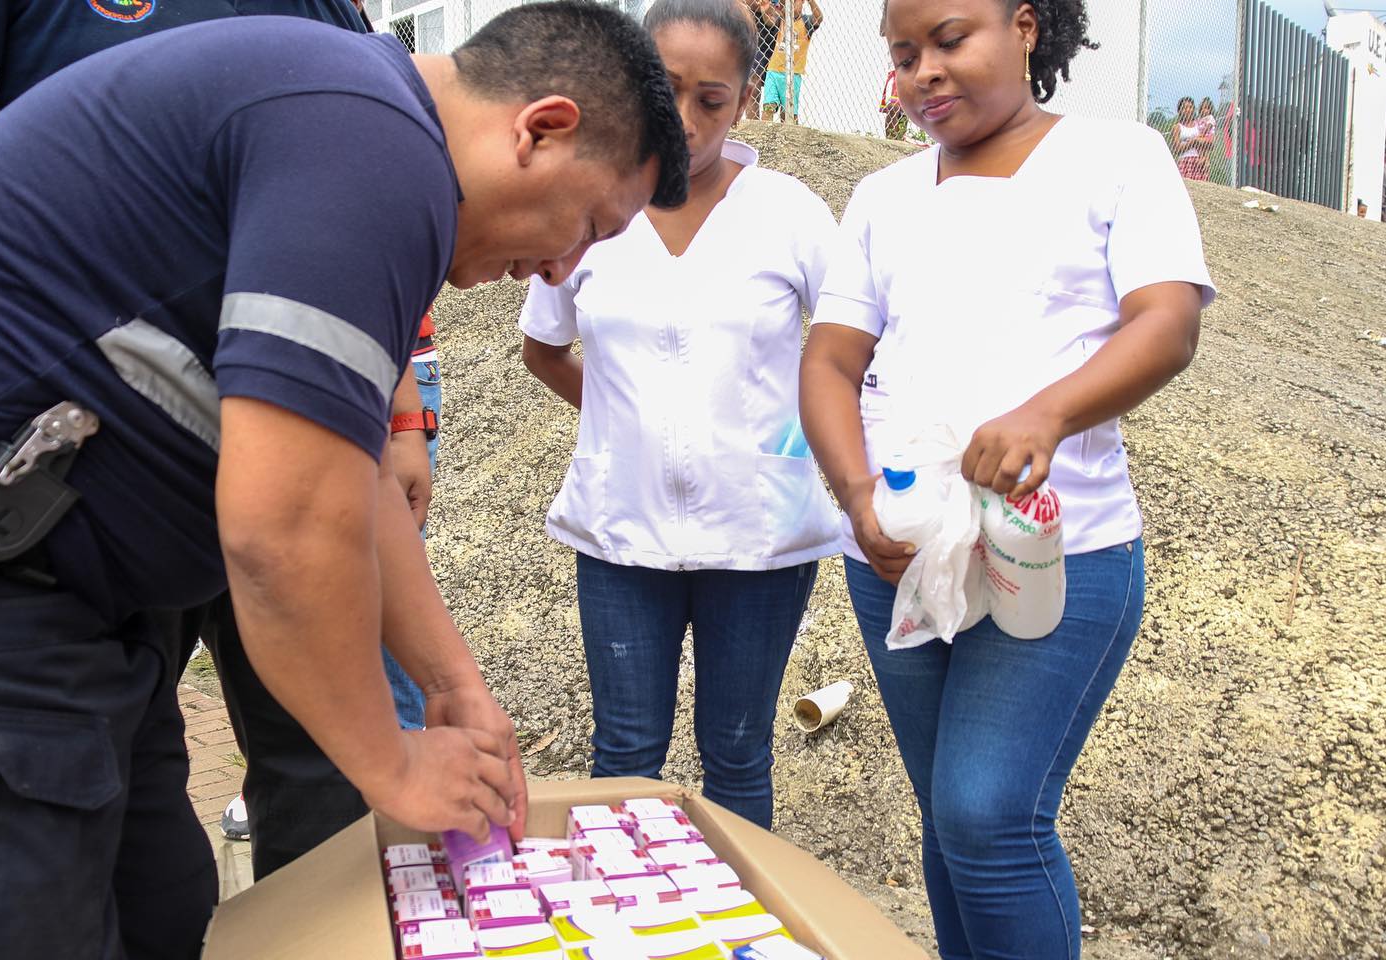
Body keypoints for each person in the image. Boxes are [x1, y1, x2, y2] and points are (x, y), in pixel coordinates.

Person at [0, 6, 687, 958]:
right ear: (541, 127)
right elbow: (282, 531)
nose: (560, 266)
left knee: (163, 908)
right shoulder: (374, 147)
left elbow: (343, 478)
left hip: (91, 613)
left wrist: (452, 684)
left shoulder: (363, 127)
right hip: (11, 601)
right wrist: (393, 764)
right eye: (590, 224)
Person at [0, 0, 444, 858]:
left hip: (264, 429)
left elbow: (362, 246)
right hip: (71, 474)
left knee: (309, 756)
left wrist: (400, 410)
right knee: (83, 782)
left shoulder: (339, 48)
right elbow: (280, 536)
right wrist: (400, 767)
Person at [799, 0, 1213, 956]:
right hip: (899, 551)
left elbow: (1167, 321)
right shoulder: (885, 197)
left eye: (950, 40)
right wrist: (858, 495)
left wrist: (1048, 413)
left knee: (989, 814)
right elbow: (829, 361)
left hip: (1056, 550)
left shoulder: (1116, 159)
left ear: (1026, 26)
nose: (925, 73)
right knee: (950, 825)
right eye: (904, 56)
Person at [520, 0, 839, 829]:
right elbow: (543, 347)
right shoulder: (589, 202)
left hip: (757, 537)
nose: (689, 120)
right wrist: (627, 421)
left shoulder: (790, 215)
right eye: (666, 90)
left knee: (737, 753)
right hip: (622, 531)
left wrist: (786, 441)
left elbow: (850, 357)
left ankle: (740, 939)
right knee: (625, 752)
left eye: (713, 99)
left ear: (745, 101)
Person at [761, 0, 822, 123]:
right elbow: (769, 21)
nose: (791, 6)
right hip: (774, 70)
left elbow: (818, 18)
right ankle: (765, 131)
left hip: (794, 73)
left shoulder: (806, 22)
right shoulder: (781, 20)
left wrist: (811, 2)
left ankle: (790, 131)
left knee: (789, 113)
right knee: (768, 106)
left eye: (795, 2)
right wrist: (765, 10)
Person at [742, 0, 779, 119]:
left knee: (774, 88)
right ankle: (753, 124)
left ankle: (767, 123)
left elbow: (785, 8)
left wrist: (770, 7)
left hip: (777, 41)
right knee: (753, 82)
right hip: (755, 39)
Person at [1170, 95, 1208, 180]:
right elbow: (1177, 149)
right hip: (1185, 160)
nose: (1188, 110)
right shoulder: (1177, 127)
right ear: (1179, 111)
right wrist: (1192, 142)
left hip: (1199, 160)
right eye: (1184, 108)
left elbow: (1206, 143)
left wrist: (1205, 158)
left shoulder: (1199, 125)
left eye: (1190, 107)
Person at [880, 68, 908, 140]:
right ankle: (891, 138)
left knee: (906, 110)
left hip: (909, 74)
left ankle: (899, 138)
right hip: (897, 74)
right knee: (893, 107)